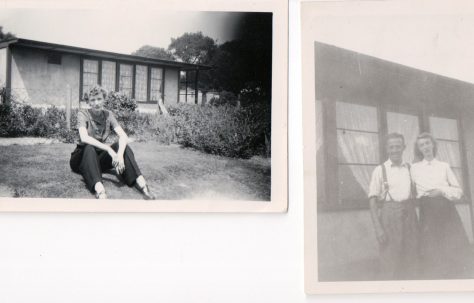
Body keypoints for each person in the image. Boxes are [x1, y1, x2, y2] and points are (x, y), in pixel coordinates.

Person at [69, 85, 155, 200]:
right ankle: (100, 191)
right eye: (93, 100)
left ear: (104, 99)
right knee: (89, 147)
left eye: (99, 99)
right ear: (88, 102)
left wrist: (119, 155)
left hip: (97, 159)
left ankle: (143, 185)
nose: (96, 103)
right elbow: (84, 138)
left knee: (123, 146)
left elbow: (123, 136)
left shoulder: (108, 114)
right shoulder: (83, 113)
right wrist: (109, 149)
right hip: (81, 158)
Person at [411, 132, 472, 279]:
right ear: (418, 149)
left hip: (446, 209)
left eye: (427, 143)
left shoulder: (444, 166)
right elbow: (411, 191)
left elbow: (458, 191)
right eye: (421, 145)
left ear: (433, 144)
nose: (425, 147)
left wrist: (441, 190)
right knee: (432, 248)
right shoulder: (414, 168)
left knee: (451, 245)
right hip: (428, 210)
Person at [368, 133, 418, 280]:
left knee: (412, 258)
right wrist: (378, 228)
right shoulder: (380, 170)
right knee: (390, 261)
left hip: (410, 215)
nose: (395, 150)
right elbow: (372, 200)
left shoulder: (411, 168)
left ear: (404, 148)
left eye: (398, 146)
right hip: (389, 217)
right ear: (387, 149)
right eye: (391, 147)